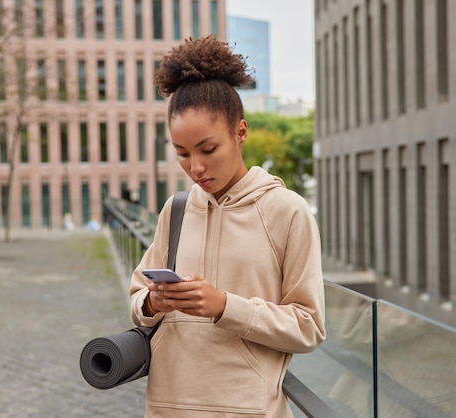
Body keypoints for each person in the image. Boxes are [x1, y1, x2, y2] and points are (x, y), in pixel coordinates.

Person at [129, 35, 326, 418]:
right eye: (182, 153)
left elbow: (309, 326)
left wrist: (223, 306)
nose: (195, 167)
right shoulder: (178, 208)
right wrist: (153, 301)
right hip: (167, 407)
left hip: (248, 410)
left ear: (240, 132)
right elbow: (138, 298)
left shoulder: (288, 211)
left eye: (208, 149)